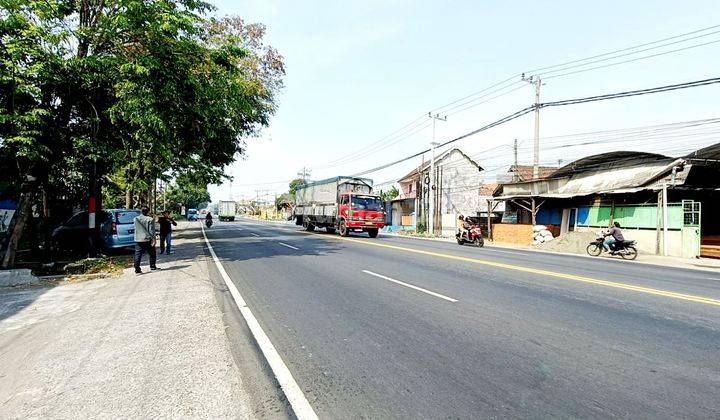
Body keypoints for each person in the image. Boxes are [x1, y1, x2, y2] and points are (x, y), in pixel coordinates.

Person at [133, 206, 159, 274]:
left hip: (138, 239)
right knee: (152, 253)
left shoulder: (135, 219)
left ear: (141, 211)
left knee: (137, 254)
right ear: (148, 211)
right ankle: (153, 267)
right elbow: (152, 231)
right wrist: (154, 240)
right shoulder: (150, 219)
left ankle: (137, 270)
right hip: (147, 239)